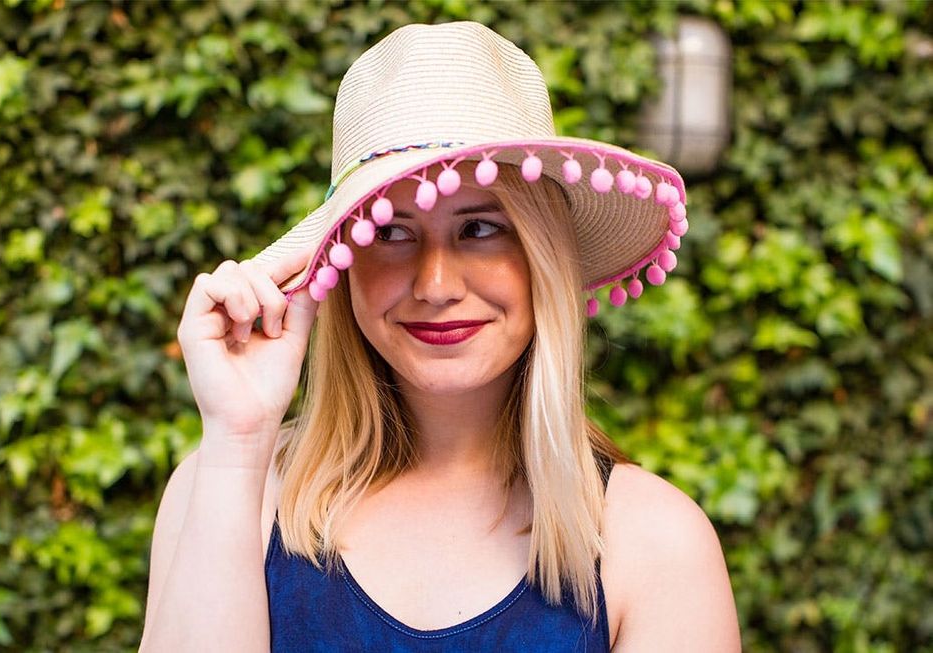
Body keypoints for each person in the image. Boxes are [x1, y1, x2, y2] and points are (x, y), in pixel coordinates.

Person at [139, 21, 740, 652]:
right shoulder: (229, 490)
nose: (435, 285)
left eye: (479, 229)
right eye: (391, 232)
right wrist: (239, 438)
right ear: (344, 266)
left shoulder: (656, 543)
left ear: (543, 256)